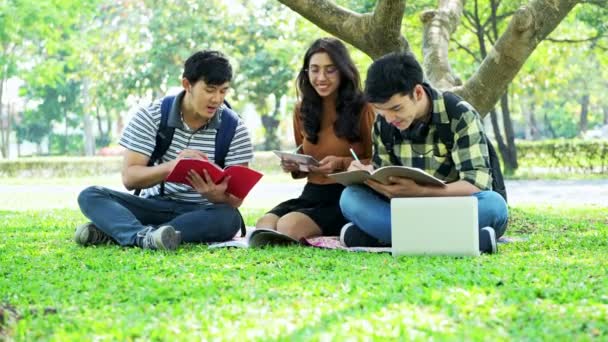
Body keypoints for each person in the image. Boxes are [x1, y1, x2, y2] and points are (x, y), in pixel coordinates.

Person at [75, 50, 254, 251]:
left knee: (229, 219)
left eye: (223, 91)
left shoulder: (234, 128)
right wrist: (172, 167)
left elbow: (236, 200)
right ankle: (146, 236)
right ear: (187, 84)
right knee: (90, 195)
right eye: (210, 90)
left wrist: (214, 196)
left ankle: (123, 233)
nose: (217, 99)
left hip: (204, 211)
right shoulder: (151, 116)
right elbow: (130, 178)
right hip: (153, 206)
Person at [338, 51, 508, 254]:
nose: (390, 118)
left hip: (452, 209)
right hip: (403, 211)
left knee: (494, 206)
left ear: (417, 93)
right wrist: (367, 174)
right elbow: (384, 172)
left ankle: (383, 238)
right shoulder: (383, 123)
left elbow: (476, 184)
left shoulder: (460, 115)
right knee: (350, 197)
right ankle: (464, 239)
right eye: (381, 110)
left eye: (396, 108)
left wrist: (422, 191)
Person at [255, 37, 375, 240]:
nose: (321, 77)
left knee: (288, 227)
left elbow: (378, 163)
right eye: (314, 69)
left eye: (330, 70)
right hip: (312, 192)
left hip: (347, 194)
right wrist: (295, 166)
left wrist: (341, 163)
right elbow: (304, 157)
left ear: (344, 71)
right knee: (264, 225)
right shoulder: (302, 109)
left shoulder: (363, 107)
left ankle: (351, 224)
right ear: (306, 72)